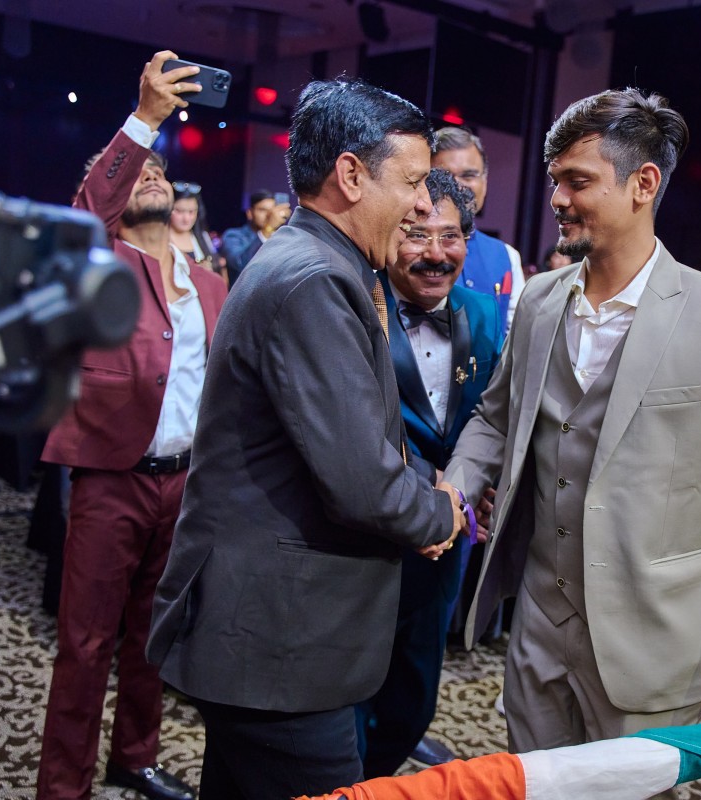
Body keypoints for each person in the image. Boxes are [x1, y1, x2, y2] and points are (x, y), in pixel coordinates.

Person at [442, 88, 701, 768]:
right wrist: (454, 491)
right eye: (554, 181)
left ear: (643, 184)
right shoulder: (540, 300)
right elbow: (495, 416)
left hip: (654, 646)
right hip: (537, 631)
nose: (557, 200)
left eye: (578, 181)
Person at [146, 79, 465, 798]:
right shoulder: (314, 280)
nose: (424, 204)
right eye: (413, 181)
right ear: (350, 175)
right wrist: (440, 513)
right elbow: (362, 482)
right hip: (278, 642)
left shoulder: (316, 264)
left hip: (270, 632)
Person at [36, 51, 228, 800]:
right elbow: (88, 210)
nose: (152, 175)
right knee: (86, 642)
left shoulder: (210, 284)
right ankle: (64, 785)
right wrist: (146, 121)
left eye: (159, 171)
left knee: (155, 634)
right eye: (136, 171)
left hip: (185, 486)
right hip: (111, 480)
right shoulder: (96, 261)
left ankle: (135, 756)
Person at [356, 169, 504, 776]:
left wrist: (480, 485)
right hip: (366, 536)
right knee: (350, 693)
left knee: (413, 701)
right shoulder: (356, 305)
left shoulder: (483, 311)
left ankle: (378, 775)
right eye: (417, 234)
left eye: (451, 236)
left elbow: (492, 415)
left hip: (447, 536)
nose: (436, 253)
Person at [431, 127, 525, 333]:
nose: (457, 186)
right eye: (445, 176)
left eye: (468, 175)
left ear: (485, 181)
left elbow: (515, 337)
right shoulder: (405, 246)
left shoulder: (507, 256)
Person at [218, 189, 275, 284]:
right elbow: (239, 263)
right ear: (250, 213)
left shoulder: (279, 237)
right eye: (263, 210)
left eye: (271, 211)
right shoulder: (233, 235)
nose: (269, 215)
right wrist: (267, 231)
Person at [168, 182, 223, 279]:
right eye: (179, 211)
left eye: (191, 212)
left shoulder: (203, 237)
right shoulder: (161, 240)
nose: (186, 219)